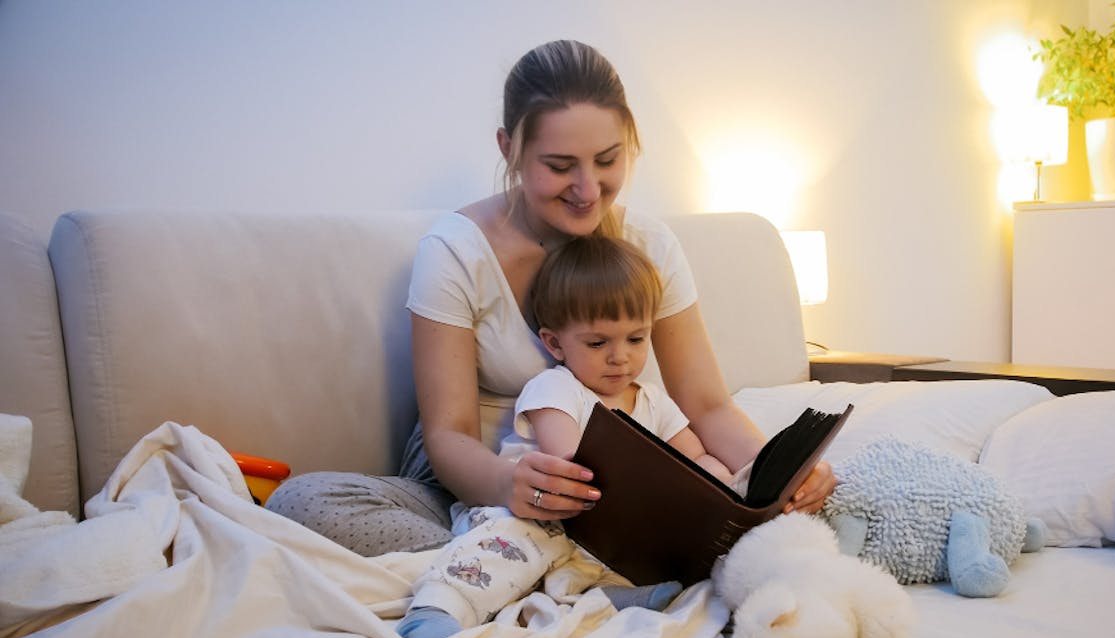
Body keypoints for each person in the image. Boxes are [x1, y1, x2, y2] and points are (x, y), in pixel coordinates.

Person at [266, 38, 834, 557]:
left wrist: (775, 476)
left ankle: (523, 569)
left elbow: (708, 405)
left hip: (611, 497)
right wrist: (507, 486)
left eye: (608, 161)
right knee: (301, 503)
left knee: (800, 515)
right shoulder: (456, 251)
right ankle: (531, 563)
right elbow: (448, 434)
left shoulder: (650, 246)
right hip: (476, 482)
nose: (589, 191)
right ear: (509, 149)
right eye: (560, 167)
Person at [397, 234, 734, 638]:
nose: (620, 357)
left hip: (611, 532)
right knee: (510, 547)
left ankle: (607, 600)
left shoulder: (652, 401)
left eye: (636, 338)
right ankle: (439, 607)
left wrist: (720, 485)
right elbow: (573, 461)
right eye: (598, 343)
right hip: (539, 513)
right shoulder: (556, 388)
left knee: (659, 555)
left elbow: (696, 456)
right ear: (555, 342)